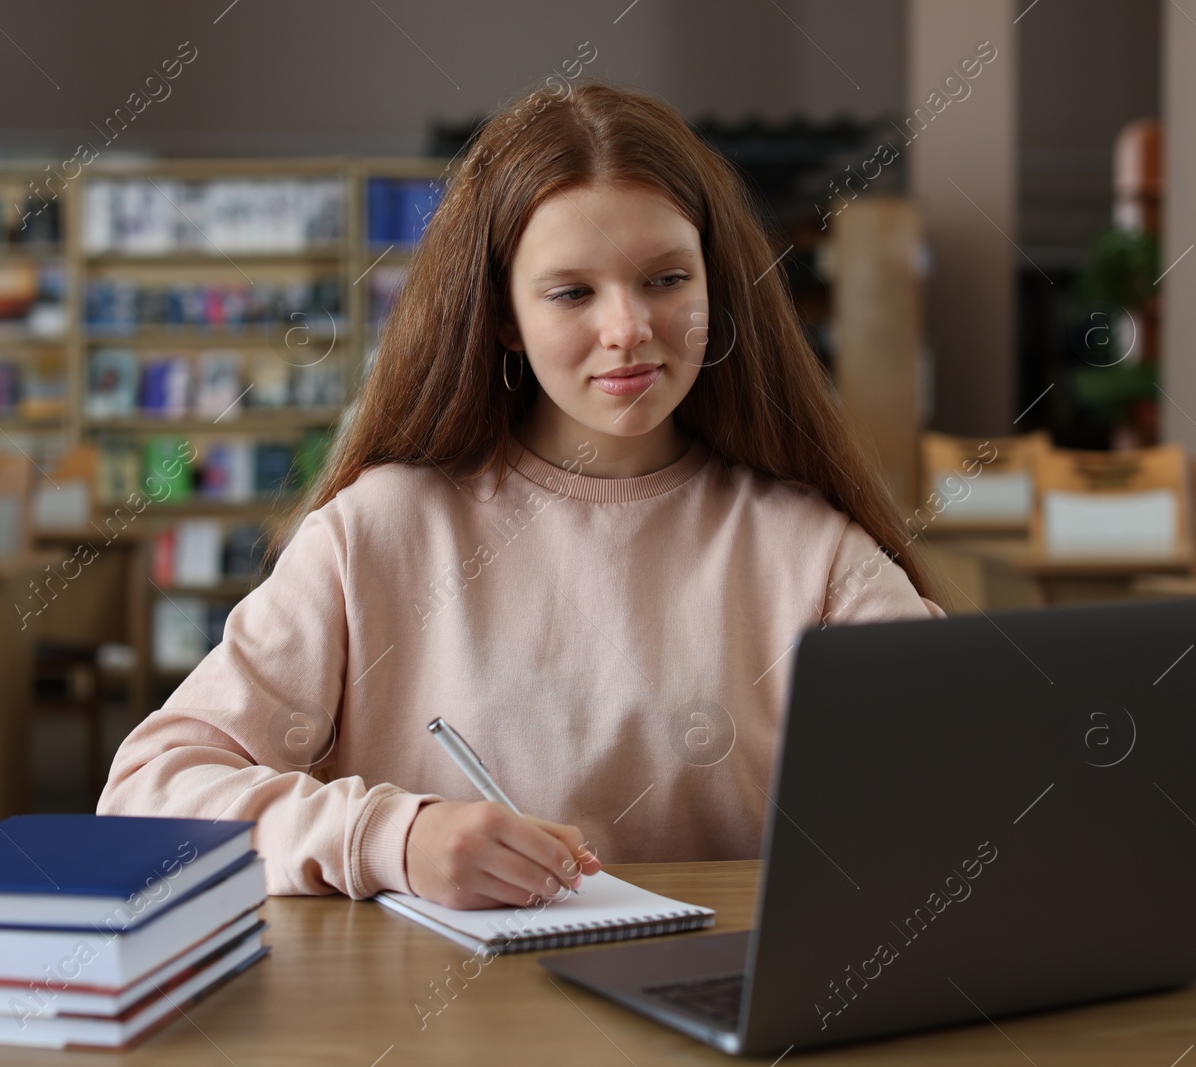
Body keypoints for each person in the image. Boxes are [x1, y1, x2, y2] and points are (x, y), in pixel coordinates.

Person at [97, 80, 946, 914]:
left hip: (725, 1029)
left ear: (714, 284)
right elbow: (145, 794)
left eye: (666, 279)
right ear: (503, 316)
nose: (628, 328)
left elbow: (976, 782)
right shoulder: (378, 533)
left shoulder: (812, 550)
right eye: (572, 292)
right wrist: (394, 839)